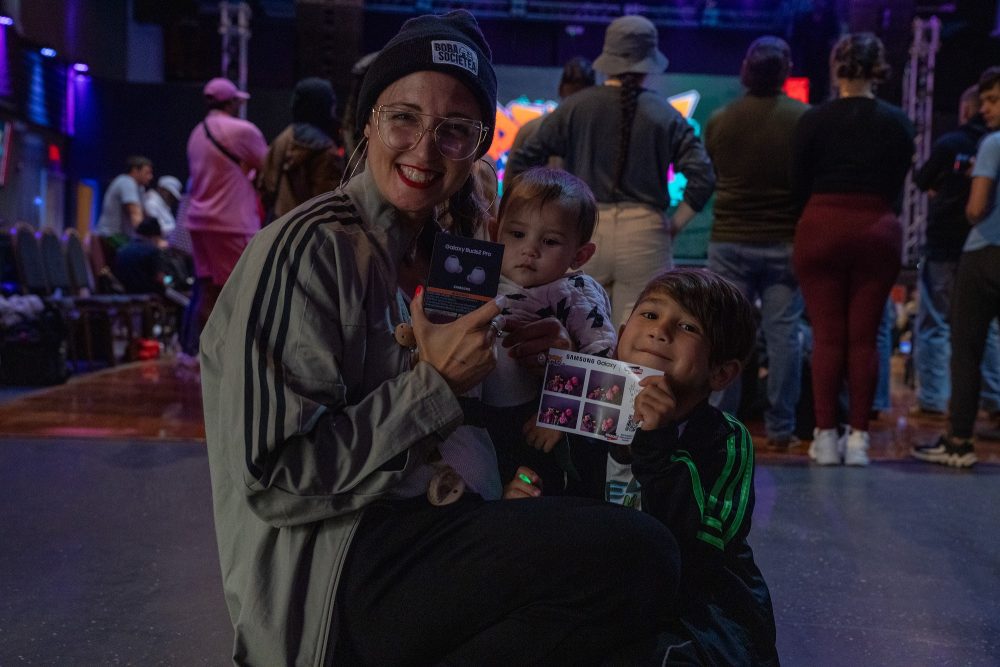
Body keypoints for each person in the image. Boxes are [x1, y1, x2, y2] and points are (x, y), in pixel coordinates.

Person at [200, 11, 680, 665]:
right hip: (335, 568)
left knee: (638, 579)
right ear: (368, 122)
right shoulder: (312, 248)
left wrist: (545, 366)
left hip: (438, 517)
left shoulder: (449, 252)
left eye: (454, 130)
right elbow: (276, 478)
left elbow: (484, 423)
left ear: (478, 146)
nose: (425, 151)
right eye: (403, 118)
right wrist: (435, 386)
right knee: (639, 560)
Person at [597, 268, 779, 665]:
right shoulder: (586, 414)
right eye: (650, 315)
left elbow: (705, 547)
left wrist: (656, 444)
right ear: (621, 336)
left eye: (687, 327)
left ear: (721, 372)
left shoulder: (726, 439)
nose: (659, 331)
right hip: (605, 591)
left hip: (695, 604)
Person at [506, 14, 715, 327]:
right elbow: (704, 176)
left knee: (577, 332)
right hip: (646, 235)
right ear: (649, 64)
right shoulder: (666, 114)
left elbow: (524, 159)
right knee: (639, 334)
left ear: (607, 60)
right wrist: (672, 226)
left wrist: (536, 218)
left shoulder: (575, 106)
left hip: (584, 229)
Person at [791, 32, 915, 466]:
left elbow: (798, 183)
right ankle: (859, 440)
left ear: (836, 67)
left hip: (821, 224)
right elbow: (897, 184)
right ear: (878, 69)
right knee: (864, 340)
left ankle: (825, 437)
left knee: (827, 337)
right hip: (877, 226)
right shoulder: (898, 121)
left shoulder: (813, 119)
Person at [481, 166, 615, 493]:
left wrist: (560, 412)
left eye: (550, 241)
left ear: (580, 255)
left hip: (537, 417)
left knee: (543, 479)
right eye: (517, 234)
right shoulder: (483, 278)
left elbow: (603, 358)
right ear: (495, 231)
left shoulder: (575, 293)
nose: (530, 250)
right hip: (482, 417)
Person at [705, 35, 809, 448]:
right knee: (783, 336)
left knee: (726, 333)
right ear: (786, 71)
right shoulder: (803, 119)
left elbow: (714, 172)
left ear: (746, 69)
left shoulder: (720, 120)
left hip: (730, 239)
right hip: (785, 240)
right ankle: (781, 429)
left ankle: (719, 427)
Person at [913, 66, 1000, 468]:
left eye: (994, 100)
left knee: (963, 346)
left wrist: (969, 210)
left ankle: (959, 440)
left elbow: (976, 208)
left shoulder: (991, 144)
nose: (986, 109)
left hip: (982, 253)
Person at [184, 76, 268, 343]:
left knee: (208, 292)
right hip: (231, 222)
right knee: (242, 292)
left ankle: (204, 355)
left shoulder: (196, 133)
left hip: (198, 222)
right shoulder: (243, 131)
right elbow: (268, 167)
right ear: (231, 103)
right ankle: (233, 355)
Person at [258, 77, 345, 222]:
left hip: (277, 226)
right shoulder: (325, 148)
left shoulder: (282, 138)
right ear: (323, 105)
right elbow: (328, 203)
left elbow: (264, 185)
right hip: (310, 230)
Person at [501, 55, 595, 191]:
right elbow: (511, 180)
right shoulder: (534, 129)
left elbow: (510, 183)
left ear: (561, 89)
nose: (574, 104)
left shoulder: (532, 128)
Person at [94, 155, 154, 256]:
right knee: (145, 254)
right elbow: (135, 215)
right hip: (111, 237)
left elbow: (146, 216)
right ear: (135, 170)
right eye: (147, 173)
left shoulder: (140, 188)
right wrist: (153, 241)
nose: (150, 177)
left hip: (123, 238)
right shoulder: (126, 182)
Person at [112, 217, 167, 295]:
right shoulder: (152, 251)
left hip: (125, 296)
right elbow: (160, 279)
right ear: (154, 236)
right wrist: (169, 282)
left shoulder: (121, 250)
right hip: (149, 296)